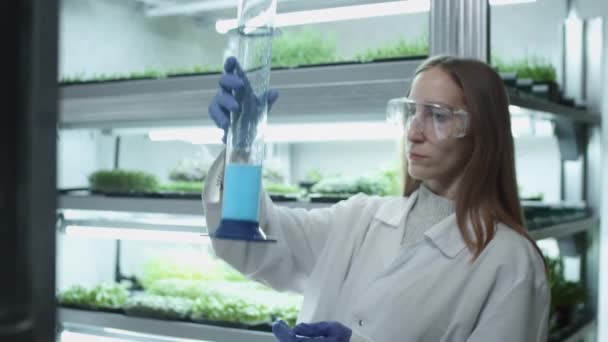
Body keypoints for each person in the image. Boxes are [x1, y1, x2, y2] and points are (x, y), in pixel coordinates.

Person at [205, 55, 549, 342]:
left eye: (438, 116)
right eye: (412, 112)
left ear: (482, 131)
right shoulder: (361, 218)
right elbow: (255, 243)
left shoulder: (510, 261)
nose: (414, 132)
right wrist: (243, 147)